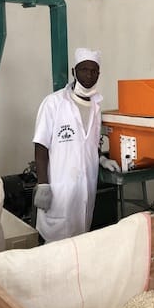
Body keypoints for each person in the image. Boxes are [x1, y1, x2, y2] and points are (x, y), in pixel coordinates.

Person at [33, 47, 120, 243]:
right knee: (55, 247)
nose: (89, 75)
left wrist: (103, 159)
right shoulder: (53, 103)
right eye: (83, 69)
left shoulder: (96, 107)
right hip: (59, 187)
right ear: (74, 72)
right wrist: (43, 184)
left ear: (99, 74)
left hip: (85, 188)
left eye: (94, 71)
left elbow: (90, 144)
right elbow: (41, 146)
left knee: (79, 242)